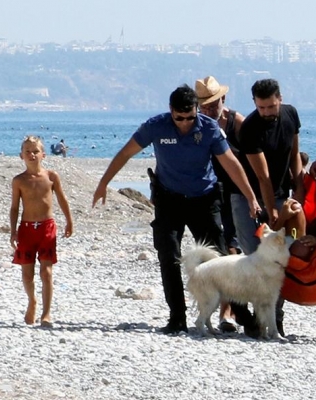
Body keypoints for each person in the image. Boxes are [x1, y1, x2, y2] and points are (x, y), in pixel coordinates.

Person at [91, 84, 261, 335]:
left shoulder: (209, 128)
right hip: (169, 200)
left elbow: (232, 164)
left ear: (197, 111)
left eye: (190, 117)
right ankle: (177, 317)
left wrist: (251, 197)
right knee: (168, 255)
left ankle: (242, 313)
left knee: (221, 257)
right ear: (171, 111)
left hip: (204, 199)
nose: (184, 123)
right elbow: (126, 153)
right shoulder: (156, 126)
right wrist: (104, 183)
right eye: (179, 118)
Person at [232, 78, 304, 336]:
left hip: (283, 194)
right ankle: (252, 316)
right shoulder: (250, 128)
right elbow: (262, 177)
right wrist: (271, 211)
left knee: (282, 256)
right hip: (248, 197)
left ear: (280, 99)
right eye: (261, 108)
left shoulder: (291, 114)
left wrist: (300, 188)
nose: (267, 113)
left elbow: (295, 154)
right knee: (254, 258)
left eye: (271, 107)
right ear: (254, 104)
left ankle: (275, 318)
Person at [196, 75, 245, 332]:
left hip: (235, 192)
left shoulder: (238, 123)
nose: (207, 111)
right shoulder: (195, 125)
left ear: (222, 100)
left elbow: (252, 157)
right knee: (216, 247)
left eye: (212, 105)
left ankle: (229, 311)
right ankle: (213, 308)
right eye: (202, 107)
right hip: (209, 192)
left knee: (233, 247)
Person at [10, 135, 74, 327]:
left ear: (43, 155)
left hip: (47, 227)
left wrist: (69, 221)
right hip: (27, 229)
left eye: (35, 151)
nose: (32, 155)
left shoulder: (51, 176)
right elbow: (14, 208)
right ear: (21, 156)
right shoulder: (19, 181)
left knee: (46, 272)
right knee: (27, 274)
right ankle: (32, 301)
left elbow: (62, 199)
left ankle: (46, 314)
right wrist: (13, 231)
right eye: (27, 152)